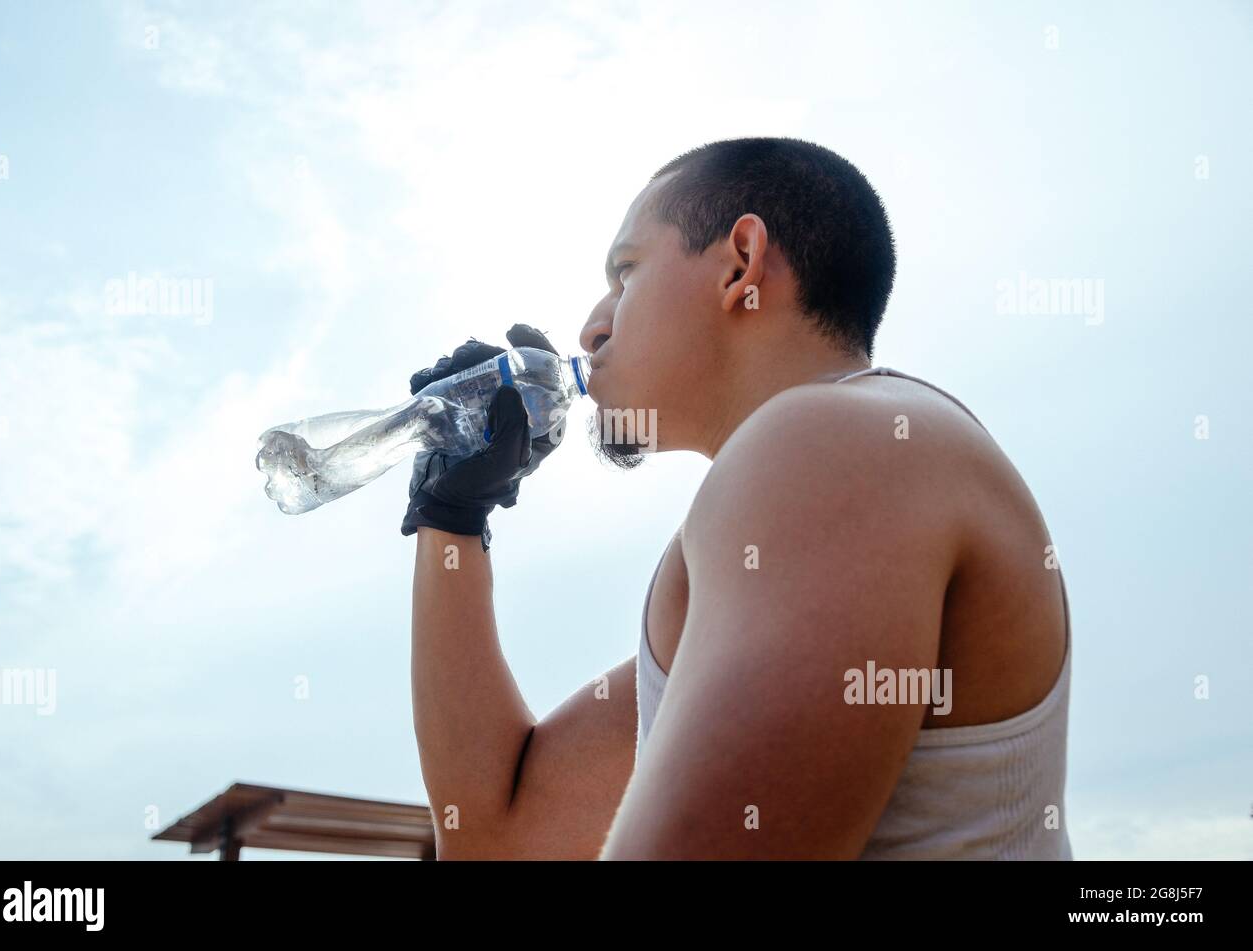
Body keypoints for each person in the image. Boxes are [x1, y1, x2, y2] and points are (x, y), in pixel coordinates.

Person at [402, 136, 1072, 860]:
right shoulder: (818, 482)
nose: (593, 326)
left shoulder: (837, 446)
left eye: (626, 273)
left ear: (740, 263)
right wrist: (454, 521)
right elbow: (499, 838)